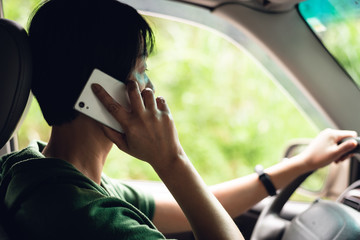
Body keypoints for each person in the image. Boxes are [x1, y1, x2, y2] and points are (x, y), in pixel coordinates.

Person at [0, 0, 357, 239]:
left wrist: (302, 163)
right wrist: (170, 159)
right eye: (141, 70)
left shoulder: (34, 170)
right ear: (100, 92)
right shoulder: (88, 221)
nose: (150, 87)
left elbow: (187, 209)